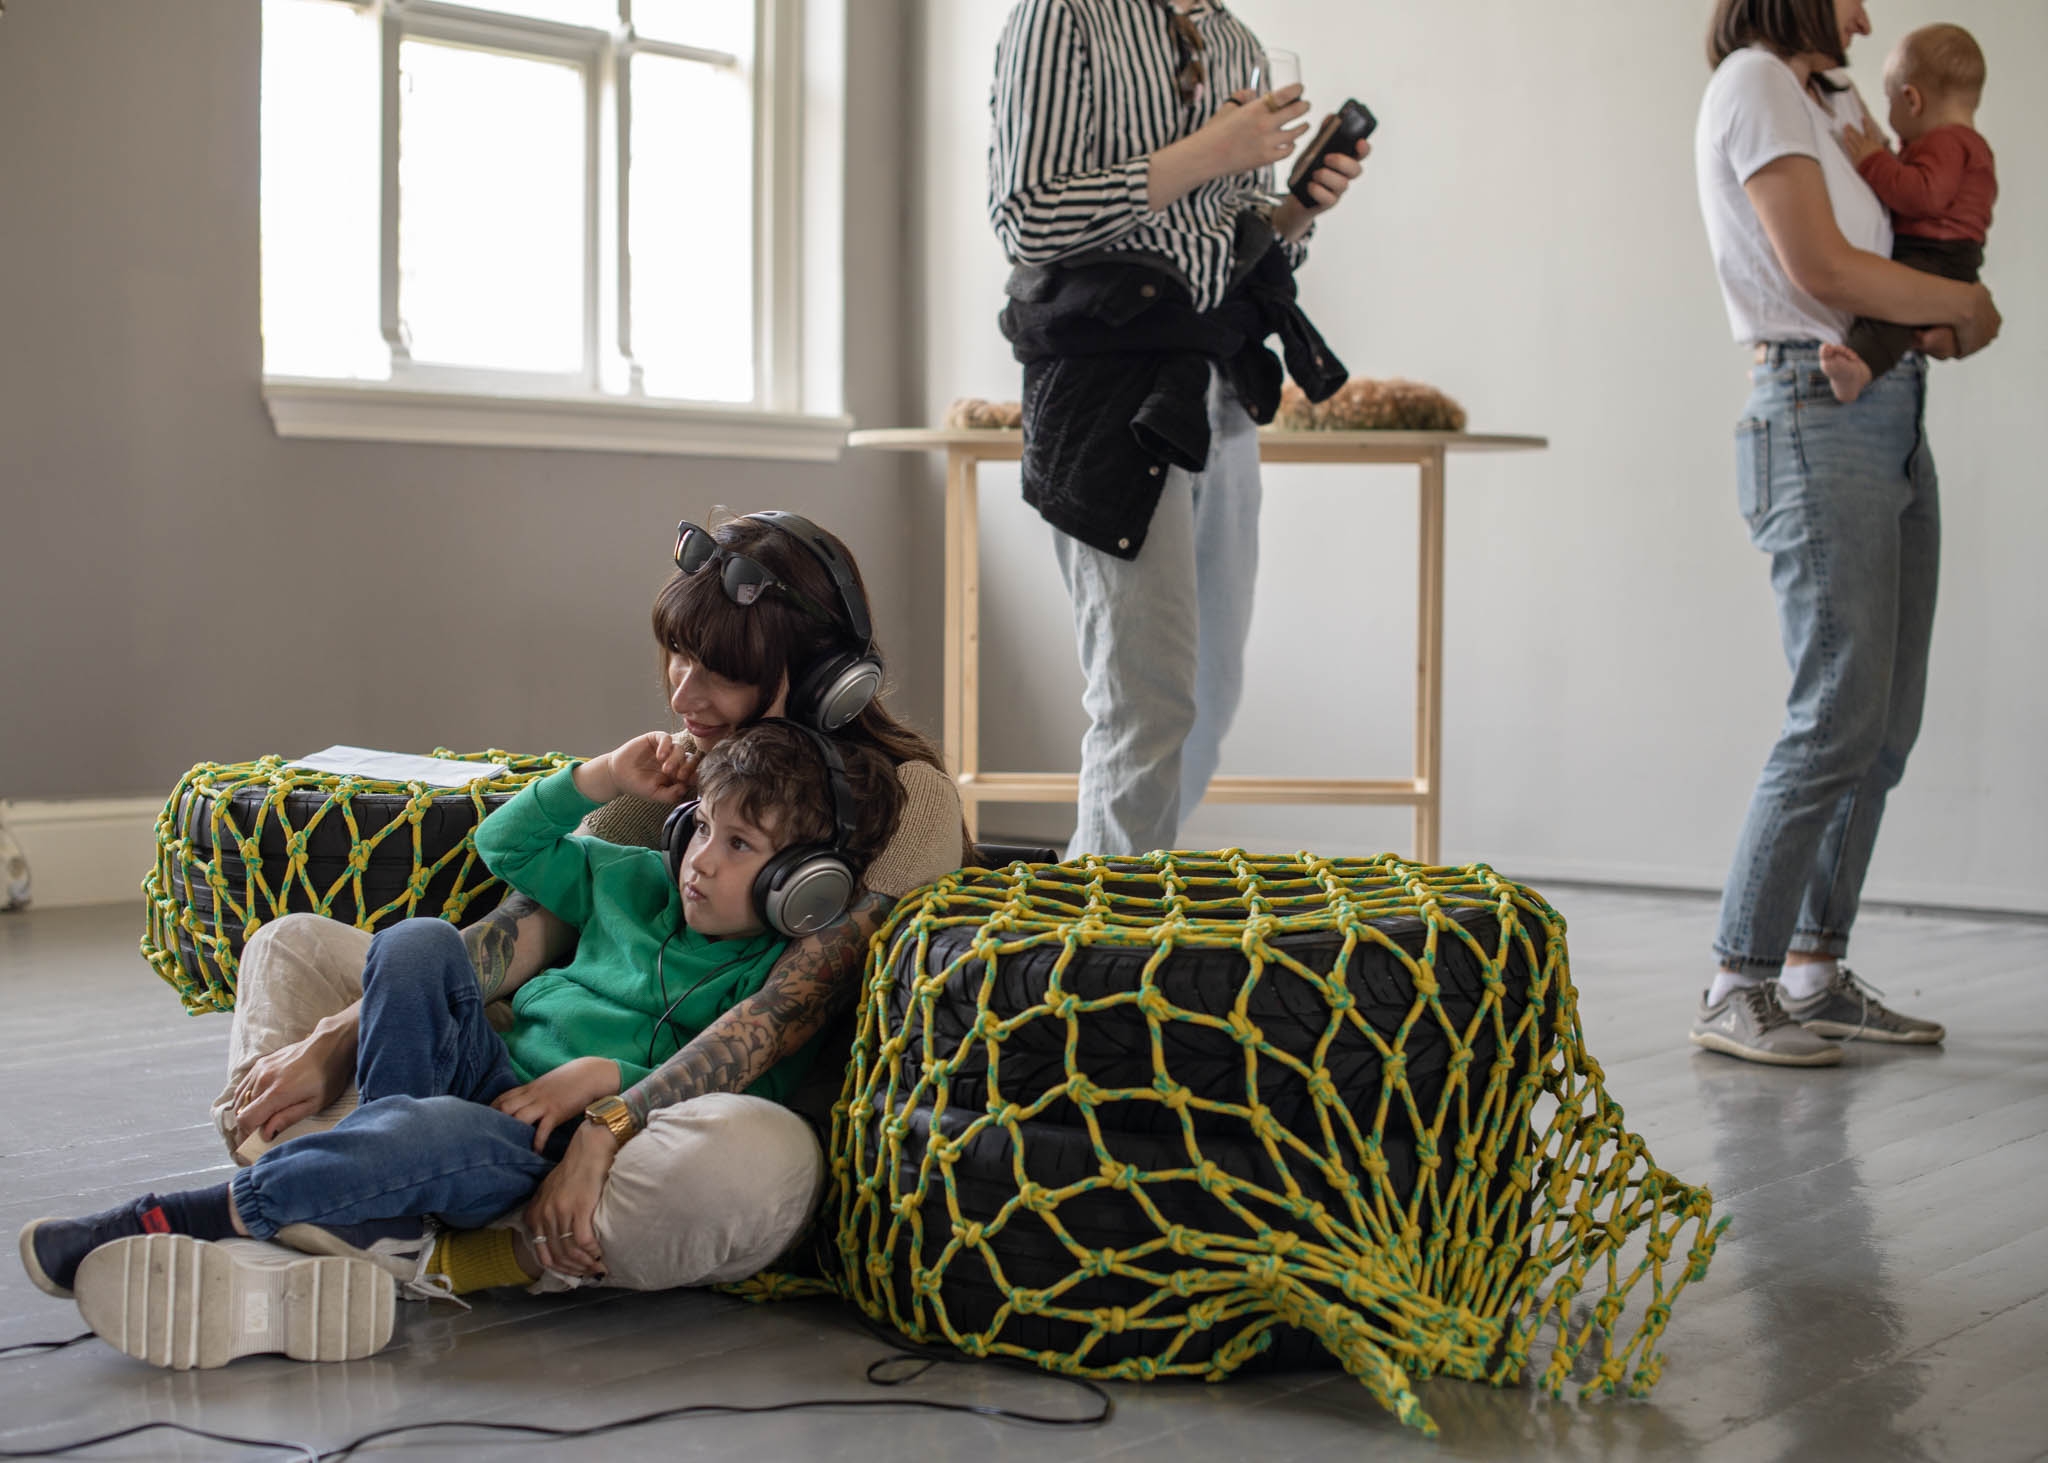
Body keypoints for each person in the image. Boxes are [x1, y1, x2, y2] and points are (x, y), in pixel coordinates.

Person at [179, 513, 961, 1302]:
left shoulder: (912, 802)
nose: (684, 693)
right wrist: (336, 1038)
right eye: (679, 657)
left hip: (670, 1112)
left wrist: (607, 1120)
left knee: (758, 1157)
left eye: (719, 671)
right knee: (290, 945)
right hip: (530, 1086)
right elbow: (519, 929)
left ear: (823, 676)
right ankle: (367, 1186)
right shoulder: (686, 775)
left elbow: (774, 1021)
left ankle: (429, 1231)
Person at [19, 718, 905, 1356]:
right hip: (482, 1069)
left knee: (429, 1132)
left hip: (533, 1144)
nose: (703, 859)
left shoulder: (772, 978)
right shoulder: (628, 877)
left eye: (742, 844)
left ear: (805, 885)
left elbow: (749, 1092)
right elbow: (504, 843)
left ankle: (174, 1217)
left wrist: (604, 1077)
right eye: (702, 827)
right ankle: (379, 1205)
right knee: (417, 943)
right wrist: (599, 778)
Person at [1689, 0, 1999, 1065]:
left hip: (1885, 412)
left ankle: (1812, 970)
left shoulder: (1824, 93)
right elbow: (1822, 272)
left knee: (1882, 722)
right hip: (1814, 411)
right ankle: (1737, 979)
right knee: (1832, 714)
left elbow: (1903, 257)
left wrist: (1944, 313)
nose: (1866, 15)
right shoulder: (1755, 84)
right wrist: (1968, 305)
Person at [989, 0, 1371, 859]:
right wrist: (1214, 150)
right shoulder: (1062, 17)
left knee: (1208, 695)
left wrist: (1300, 207)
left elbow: (1227, 246)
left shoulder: (1235, 42)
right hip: (1105, 390)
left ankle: (1108, 912)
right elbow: (1028, 217)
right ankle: (1102, 962)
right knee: (1143, 699)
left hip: (1214, 384)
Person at [1821, 22, 1996, 404]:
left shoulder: (1946, 142)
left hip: (1934, 252)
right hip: (1955, 255)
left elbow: (1923, 196)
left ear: (1912, 100)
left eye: (1890, 101)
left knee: (1892, 307)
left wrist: (1874, 162)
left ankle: (1861, 368)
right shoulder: (1968, 144)